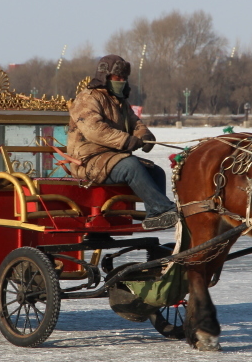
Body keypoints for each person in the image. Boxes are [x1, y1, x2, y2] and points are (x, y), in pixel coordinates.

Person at [68, 54, 178, 230]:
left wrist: (145, 136)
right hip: (88, 161)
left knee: (156, 172)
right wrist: (126, 141)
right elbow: (94, 129)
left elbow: (136, 123)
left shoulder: (120, 102)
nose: (121, 81)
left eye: (124, 78)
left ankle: (155, 215)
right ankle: (162, 209)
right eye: (117, 77)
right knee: (131, 166)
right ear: (105, 77)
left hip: (112, 158)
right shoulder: (87, 98)